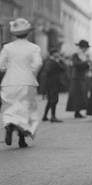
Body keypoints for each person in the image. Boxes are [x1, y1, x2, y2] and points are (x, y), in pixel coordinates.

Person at [1, 18, 42, 148]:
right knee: (26, 109)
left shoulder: (7, 47)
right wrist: (31, 74)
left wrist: (8, 69)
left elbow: (1, 65)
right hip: (27, 81)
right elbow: (38, 64)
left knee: (10, 107)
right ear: (28, 32)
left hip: (9, 81)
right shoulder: (34, 48)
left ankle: (9, 125)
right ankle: (22, 139)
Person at [66, 40, 92, 118]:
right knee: (77, 95)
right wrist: (86, 62)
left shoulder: (83, 55)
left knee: (81, 95)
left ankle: (78, 111)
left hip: (82, 78)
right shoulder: (76, 55)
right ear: (82, 48)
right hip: (76, 78)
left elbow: (86, 66)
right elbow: (75, 64)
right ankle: (77, 112)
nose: (86, 49)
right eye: (86, 47)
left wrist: (87, 64)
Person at [40, 49, 67, 122]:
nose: (58, 54)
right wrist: (60, 61)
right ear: (53, 54)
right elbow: (64, 68)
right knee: (54, 100)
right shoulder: (53, 62)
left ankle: (45, 116)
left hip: (50, 84)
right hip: (53, 84)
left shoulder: (48, 61)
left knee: (50, 101)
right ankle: (53, 117)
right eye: (57, 53)